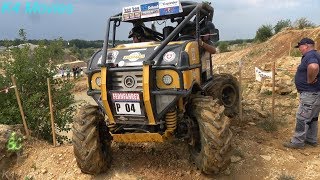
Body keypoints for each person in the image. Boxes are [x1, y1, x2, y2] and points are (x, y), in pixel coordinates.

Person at [283, 37, 320, 149]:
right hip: (315, 93)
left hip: (309, 94)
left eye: (300, 46)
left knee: (302, 117)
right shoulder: (317, 54)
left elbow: (314, 67)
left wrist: (310, 80)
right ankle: (311, 139)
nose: (299, 49)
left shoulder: (310, 56)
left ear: (306, 45)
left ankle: (298, 142)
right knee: (313, 118)